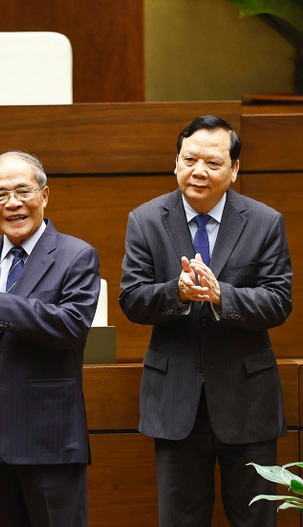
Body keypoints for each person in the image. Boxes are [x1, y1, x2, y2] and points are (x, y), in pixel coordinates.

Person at [119, 115, 292, 527]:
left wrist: (222, 296)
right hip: (176, 401)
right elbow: (131, 299)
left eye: (213, 163)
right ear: (175, 162)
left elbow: (279, 301)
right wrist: (174, 293)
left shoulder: (265, 221)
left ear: (234, 170)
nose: (199, 171)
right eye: (189, 159)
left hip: (247, 400)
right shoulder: (145, 220)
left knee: (256, 520)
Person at [0, 151, 100, 527]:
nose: (13, 203)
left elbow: (72, 325)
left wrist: (2, 306)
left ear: (45, 194)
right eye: (0, 194)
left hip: (50, 438)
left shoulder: (77, 255)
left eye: (23, 191)